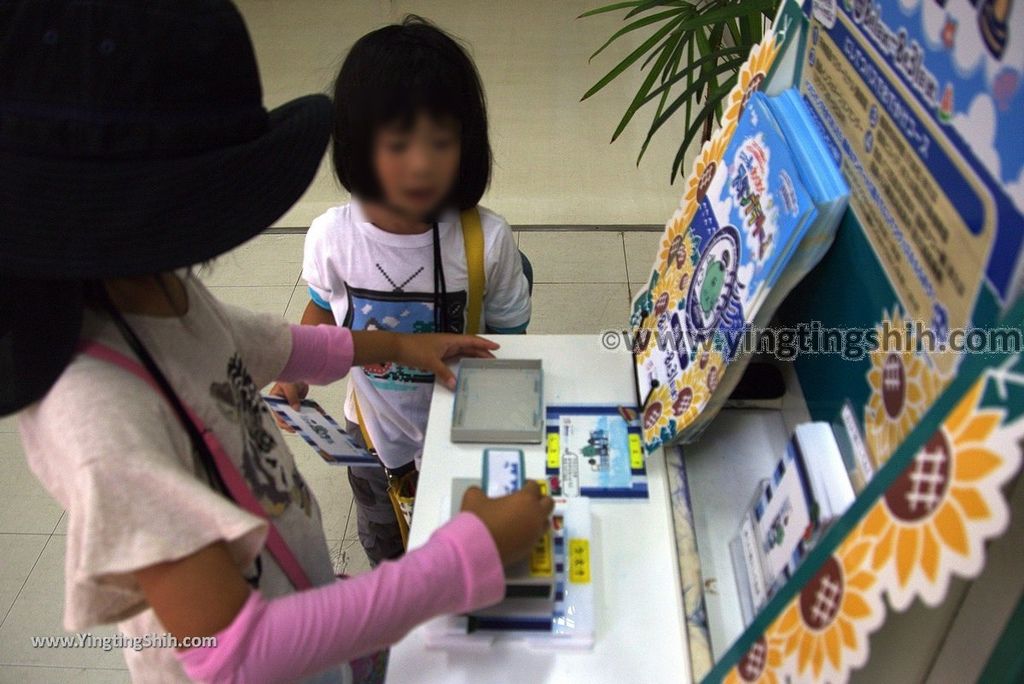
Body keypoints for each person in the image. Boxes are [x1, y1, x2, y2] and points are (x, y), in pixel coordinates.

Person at [0, 2, 552, 682]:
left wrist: (402, 348)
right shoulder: (98, 422)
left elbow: (261, 341)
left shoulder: (149, 285)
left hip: (303, 602)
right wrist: (465, 556)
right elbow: (236, 655)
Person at [272, 16, 533, 565]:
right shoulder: (332, 236)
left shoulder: (485, 239)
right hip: (370, 431)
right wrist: (293, 376)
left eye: (441, 142)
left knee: (462, 539)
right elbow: (322, 307)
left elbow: (512, 336)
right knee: (385, 538)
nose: (421, 164)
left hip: (461, 422)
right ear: (356, 146)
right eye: (398, 144)